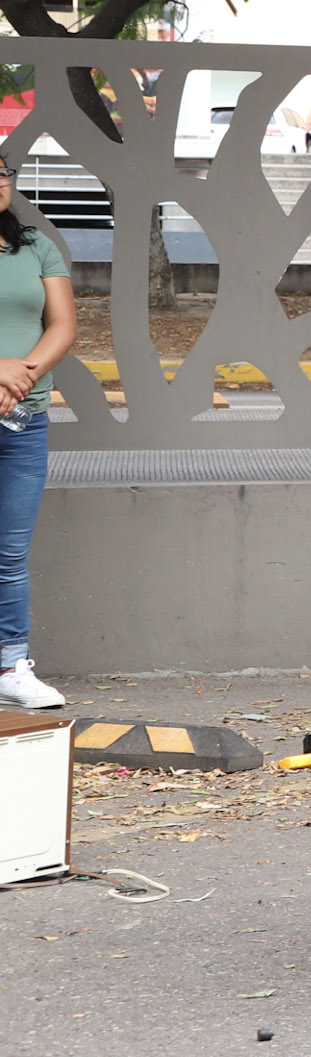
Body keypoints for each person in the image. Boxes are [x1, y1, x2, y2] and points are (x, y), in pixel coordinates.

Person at [0, 162, 76, 712]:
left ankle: (10, 664)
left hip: (22, 417)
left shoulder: (35, 246)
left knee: (9, 552)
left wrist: (18, 374)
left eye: (3, 173)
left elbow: (63, 325)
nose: (0, 182)